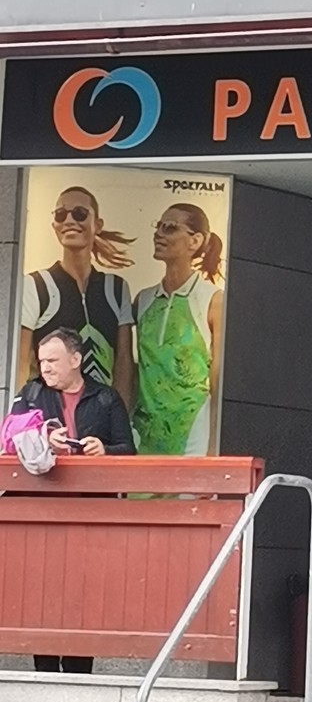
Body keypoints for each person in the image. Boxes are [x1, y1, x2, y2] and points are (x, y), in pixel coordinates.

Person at [8, 326, 135, 673]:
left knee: (84, 592)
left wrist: (104, 450)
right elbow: (9, 436)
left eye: (53, 360)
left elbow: (128, 451)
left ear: (76, 359)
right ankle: (45, 670)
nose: (45, 367)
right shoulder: (31, 392)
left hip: (91, 514)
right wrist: (44, 437)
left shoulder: (106, 398)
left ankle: (80, 671)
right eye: (42, 361)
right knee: (42, 591)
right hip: (41, 511)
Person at [20, 187, 135, 410]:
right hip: (49, 414)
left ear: (97, 224)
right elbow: (21, 362)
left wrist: (119, 418)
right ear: (54, 225)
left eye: (80, 213)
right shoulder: (36, 285)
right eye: (61, 214)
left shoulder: (116, 289)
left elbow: (123, 363)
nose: (69, 220)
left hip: (100, 416)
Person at [131, 204, 225, 456]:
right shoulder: (143, 300)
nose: (159, 234)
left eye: (170, 228)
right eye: (158, 227)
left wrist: (213, 447)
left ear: (195, 241)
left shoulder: (212, 299)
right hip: (144, 431)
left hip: (193, 432)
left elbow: (218, 378)